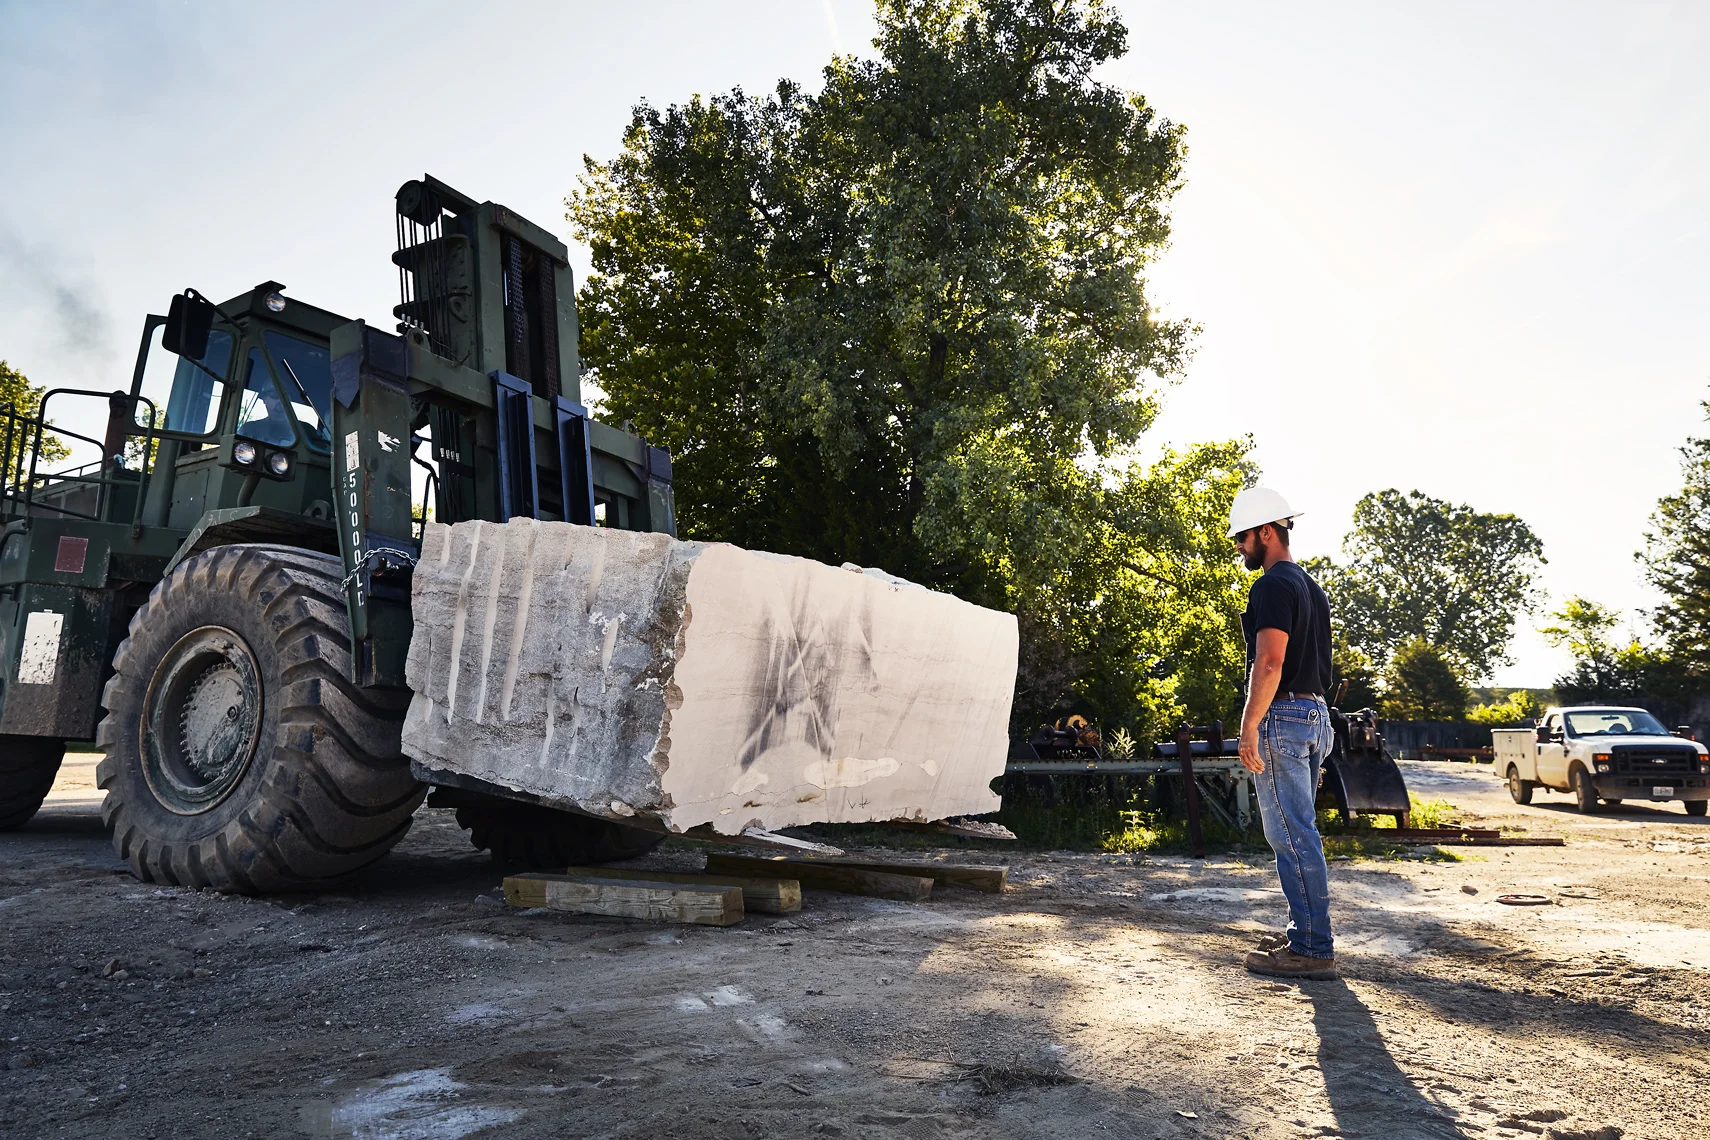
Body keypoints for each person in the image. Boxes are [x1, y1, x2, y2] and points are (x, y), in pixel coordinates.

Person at [1227, 487, 1338, 981]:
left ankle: (1313, 948)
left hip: (1286, 717)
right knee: (1300, 831)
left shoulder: (1272, 586)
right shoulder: (1311, 587)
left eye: (1242, 537)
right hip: (1316, 714)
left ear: (1266, 532)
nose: (1238, 547)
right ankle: (1305, 933)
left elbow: (1270, 662)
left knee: (1290, 835)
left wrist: (1250, 725)